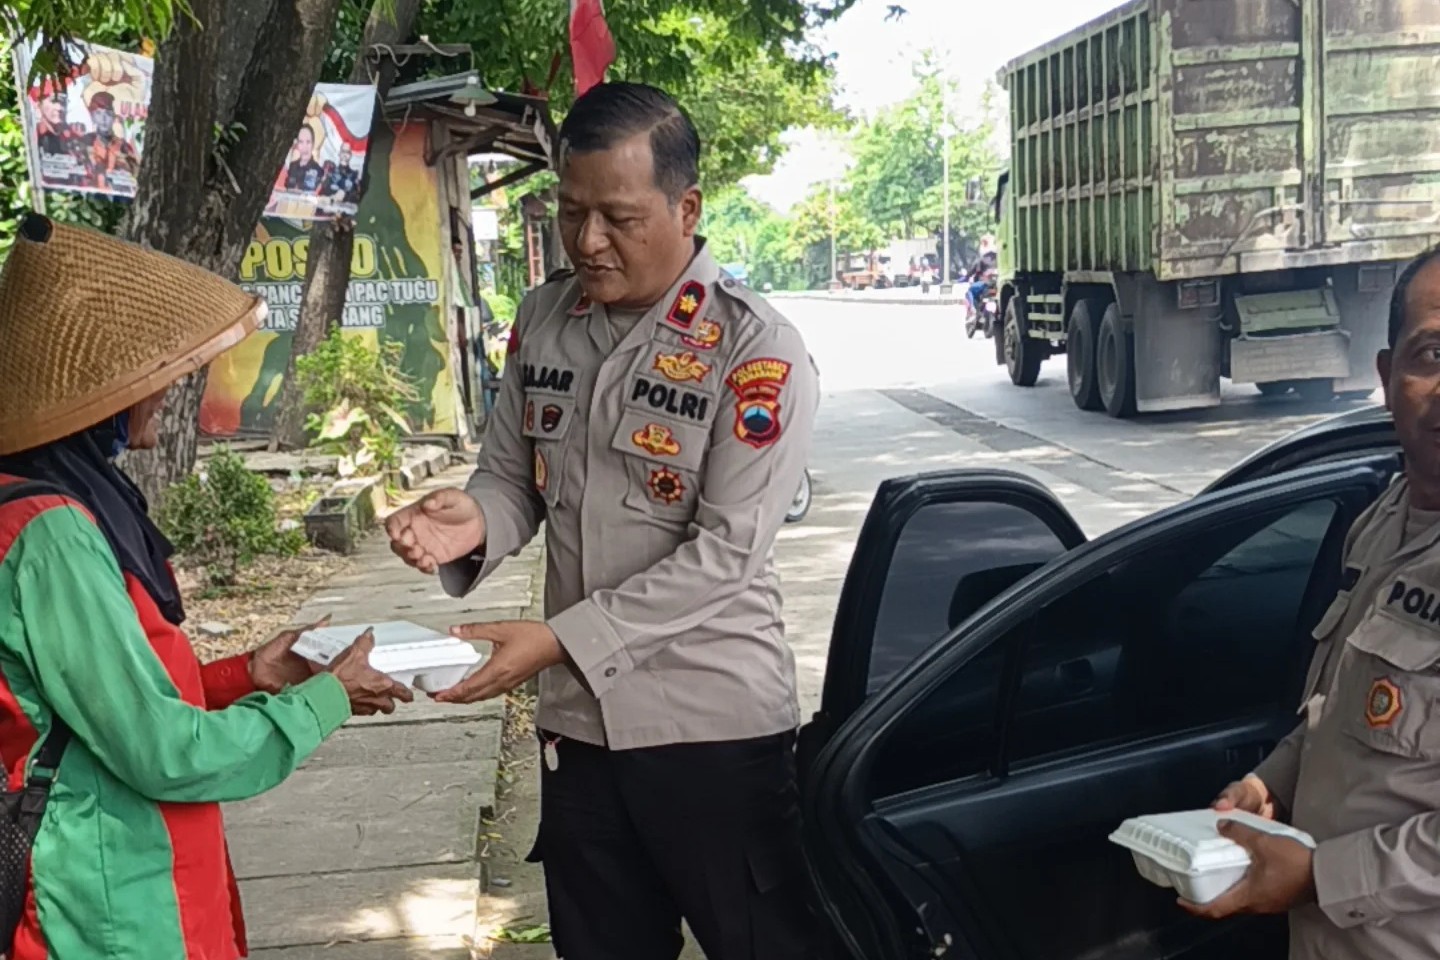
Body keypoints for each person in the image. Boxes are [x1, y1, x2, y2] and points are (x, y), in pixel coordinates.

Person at [385, 82, 819, 960]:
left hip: (712, 730)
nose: (587, 241)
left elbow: (728, 553)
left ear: (686, 206)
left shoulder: (752, 347)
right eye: (571, 212)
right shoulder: (544, 319)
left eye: (617, 217)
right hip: (579, 731)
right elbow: (514, 479)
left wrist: (555, 640)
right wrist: (468, 519)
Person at [0, 214, 411, 960]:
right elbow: (159, 748)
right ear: (103, 392)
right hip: (112, 901)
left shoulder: (54, 505)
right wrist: (323, 701)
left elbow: (107, 694)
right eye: (158, 373)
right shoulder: (48, 532)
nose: (172, 388)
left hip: (130, 876)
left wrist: (246, 675)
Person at [1188, 246, 1440, 958]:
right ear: (1389, 378)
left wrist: (1319, 877)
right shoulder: (1383, 522)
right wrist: (1270, 784)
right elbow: (1344, 715)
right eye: (1434, 354)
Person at [79, 91, 138, 191]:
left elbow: (135, 176)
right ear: (92, 117)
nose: (103, 118)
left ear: (114, 117)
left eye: (108, 113)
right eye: (98, 113)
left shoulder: (123, 146)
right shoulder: (84, 142)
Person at [283, 125, 325, 194]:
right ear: (297, 144)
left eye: (308, 142)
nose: (304, 147)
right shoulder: (292, 166)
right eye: (301, 142)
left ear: (313, 144)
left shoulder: (318, 170)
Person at [966, 235, 998, 320]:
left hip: (985, 284)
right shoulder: (999, 257)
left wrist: (965, 278)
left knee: (970, 291)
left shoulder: (982, 258)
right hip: (998, 284)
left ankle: (975, 311)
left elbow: (973, 271)